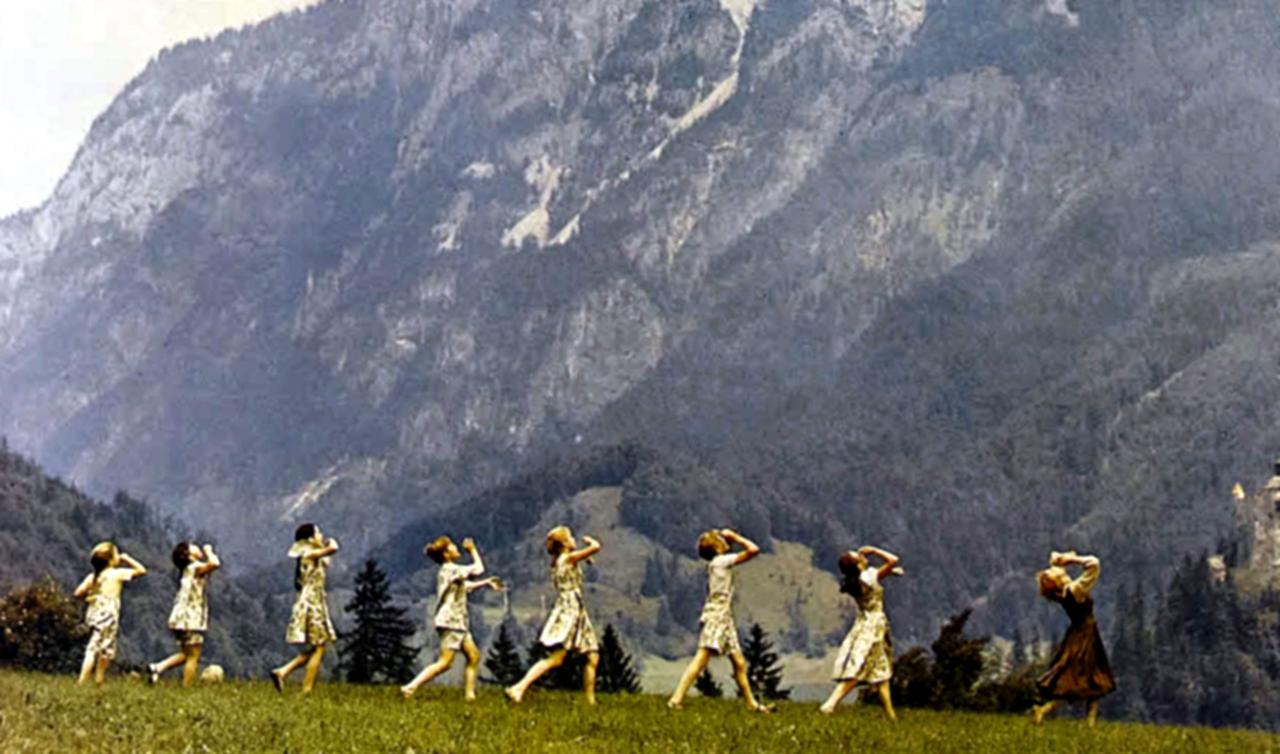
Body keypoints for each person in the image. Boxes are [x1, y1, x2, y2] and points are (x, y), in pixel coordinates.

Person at [667, 529, 772, 712]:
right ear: (716, 547)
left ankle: (751, 704)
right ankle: (676, 699)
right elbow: (753, 550)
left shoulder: (716, 564)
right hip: (718, 615)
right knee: (701, 658)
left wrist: (727, 540)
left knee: (738, 662)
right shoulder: (722, 562)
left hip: (723, 616)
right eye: (721, 540)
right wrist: (736, 537)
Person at [506, 526, 601, 704]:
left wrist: (585, 558)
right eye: (571, 538)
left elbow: (578, 561)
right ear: (565, 544)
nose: (574, 540)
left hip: (574, 608)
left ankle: (590, 701)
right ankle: (519, 687)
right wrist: (589, 543)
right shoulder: (568, 558)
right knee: (556, 658)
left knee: (592, 654)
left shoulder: (560, 560)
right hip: (571, 609)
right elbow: (596, 546)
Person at [400, 536, 502, 701]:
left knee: (473, 656)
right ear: (446, 554)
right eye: (453, 547)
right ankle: (410, 687)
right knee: (445, 662)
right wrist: (472, 550)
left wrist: (485, 583)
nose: (456, 549)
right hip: (451, 621)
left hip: (457, 622)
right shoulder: (451, 569)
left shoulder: (449, 572)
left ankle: (470, 695)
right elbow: (478, 569)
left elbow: (464, 586)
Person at [1032, 550, 1115, 726]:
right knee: (1081, 680)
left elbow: (1055, 566)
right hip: (1086, 635)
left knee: (1092, 678)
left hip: (1078, 634)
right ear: (1058, 580)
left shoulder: (1063, 592)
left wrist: (1060, 560)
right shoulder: (1075, 589)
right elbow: (1094, 563)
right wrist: (1073, 559)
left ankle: (1090, 722)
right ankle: (1044, 710)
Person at [820, 546, 901, 719]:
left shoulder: (856, 580)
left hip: (863, 622)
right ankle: (830, 703)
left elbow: (875, 576)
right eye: (858, 556)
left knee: (881, 669)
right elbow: (893, 559)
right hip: (874, 625)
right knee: (859, 667)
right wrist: (874, 551)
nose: (862, 556)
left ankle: (891, 717)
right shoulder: (868, 576)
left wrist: (889, 571)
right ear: (857, 565)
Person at [271, 523, 339, 694]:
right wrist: (330, 542)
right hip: (312, 604)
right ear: (310, 538)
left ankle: (283, 672)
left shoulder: (307, 554)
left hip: (312, 601)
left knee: (314, 647)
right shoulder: (309, 553)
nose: (321, 534)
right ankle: (306, 688)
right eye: (318, 533)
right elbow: (333, 548)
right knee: (320, 646)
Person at [73, 542, 147, 686]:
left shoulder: (93, 577)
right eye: (116, 554)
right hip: (109, 615)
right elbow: (141, 570)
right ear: (111, 559)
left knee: (102, 647)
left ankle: (98, 680)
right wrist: (127, 559)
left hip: (95, 612)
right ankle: (83, 681)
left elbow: (78, 593)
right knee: (97, 648)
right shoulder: (117, 573)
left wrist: (91, 596)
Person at [148, 542, 221, 686]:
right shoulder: (195, 568)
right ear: (188, 554)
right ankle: (186, 687)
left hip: (181, 618)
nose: (197, 547)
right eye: (193, 546)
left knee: (186, 653)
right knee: (193, 656)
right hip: (190, 618)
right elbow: (215, 563)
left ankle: (157, 668)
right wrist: (209, 551)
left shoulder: (187, 570)